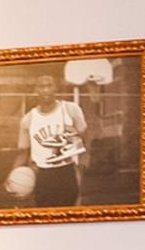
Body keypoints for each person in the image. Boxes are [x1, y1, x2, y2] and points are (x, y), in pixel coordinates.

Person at [5, 79, 87, 208]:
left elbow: (84, 143)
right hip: (42, 176)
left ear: (56, 88)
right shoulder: (28, 119)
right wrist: (12, 175)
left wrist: (80, 172)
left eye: (49, 85)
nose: (46, 90)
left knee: (69, 218)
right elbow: (23, 153)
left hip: (67, 172)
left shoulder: (70, 110)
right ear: (36, 90)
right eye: (41, 86)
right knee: (46, 217)